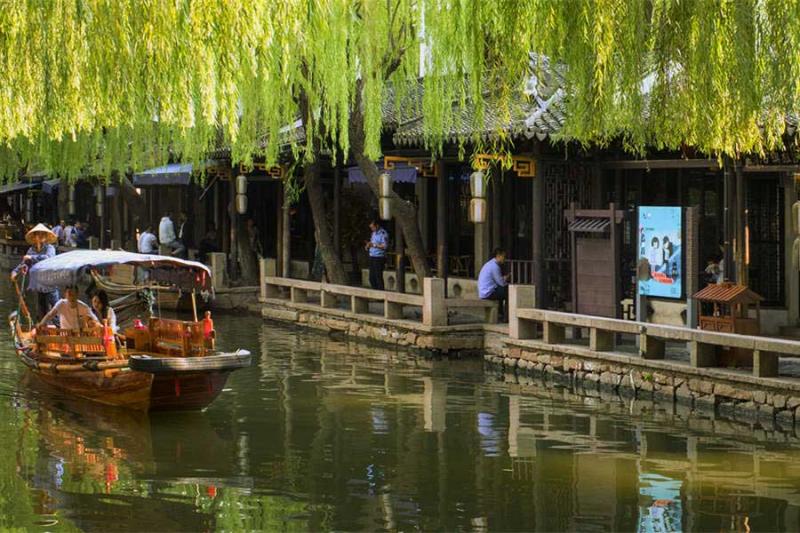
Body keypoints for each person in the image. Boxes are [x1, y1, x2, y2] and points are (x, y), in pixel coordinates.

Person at [10, 223, 59, 321]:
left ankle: (60, 331)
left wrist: (32, 258)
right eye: (38, 234)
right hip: (39, 284)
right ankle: (42, 332)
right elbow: (24, 263)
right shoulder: (31, 250)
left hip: (51, 284)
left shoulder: (50, 248)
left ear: (46, 237)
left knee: (56, 311)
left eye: (42, 234)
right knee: (41, 313)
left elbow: (48, 258)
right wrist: (15, 272)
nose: (40, 236)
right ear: (34, 237)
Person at [478, 248, 510, 319]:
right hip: (488, 292)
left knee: (502, 291)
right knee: (508, 292)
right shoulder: (494, 266)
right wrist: (505, 279)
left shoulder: (489, 264)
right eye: (503, 256)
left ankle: (500, 313)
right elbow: (501, 283)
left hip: (484, 291)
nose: (504, 259)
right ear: (498, 256)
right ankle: (506, 317)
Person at [365, 219, 388, 290]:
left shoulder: (383, 233)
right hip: (372, 256)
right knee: (371, 277)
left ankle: (381, 294)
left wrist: (374, 245)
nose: (372, 229)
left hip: (379, 257)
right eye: (371, 228)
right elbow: (372, 242)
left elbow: (384, 246)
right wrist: (368, 245)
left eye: (373, 227)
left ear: (377, 226)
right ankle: (375, 292)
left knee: (378, 276)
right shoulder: (373, 233)